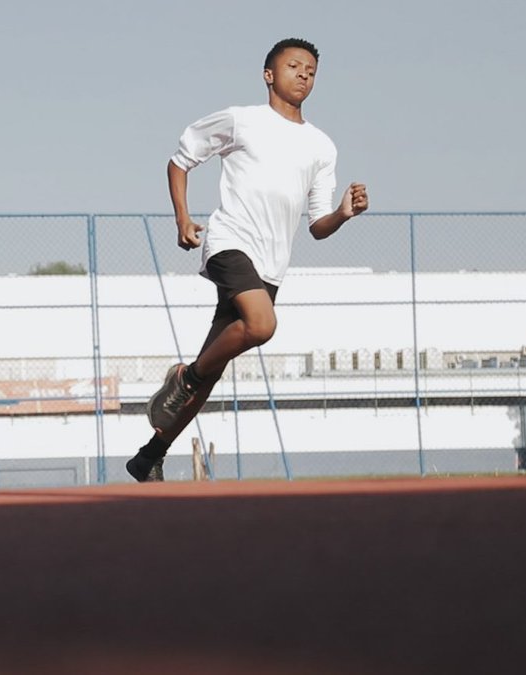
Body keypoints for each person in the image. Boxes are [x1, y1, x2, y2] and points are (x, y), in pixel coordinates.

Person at [127, 37, 369, 482]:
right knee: (261, 325)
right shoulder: (242, 121)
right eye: (294, 66)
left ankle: (149, 456)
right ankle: (184, 376)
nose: (303, 74)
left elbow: (318, 225)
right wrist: (182, 218)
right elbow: (179, 162)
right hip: (230, 241)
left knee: (213, 370)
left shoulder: (321, 146)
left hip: (270, 265)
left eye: (311, 71)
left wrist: (343, 213)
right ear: (269, 75)